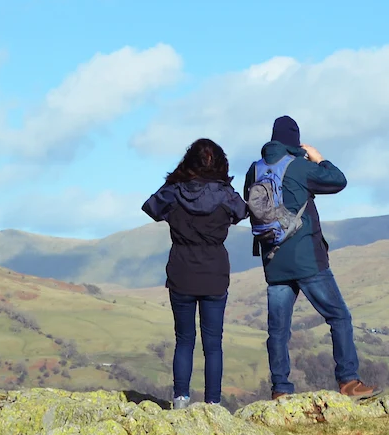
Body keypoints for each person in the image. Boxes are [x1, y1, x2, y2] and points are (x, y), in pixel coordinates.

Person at [248, 114, 376, 399]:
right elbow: (338, 181)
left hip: (273, 259)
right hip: (307, 259)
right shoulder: (300, 167)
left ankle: (281, 388)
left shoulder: (254, 171)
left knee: (278, 330)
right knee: (339, 316)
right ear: (295, 141)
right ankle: (348, 382)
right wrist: (319, 158)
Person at [142, 137, 249, 408]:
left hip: (181, 271)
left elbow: (151, 207)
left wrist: (174, 181)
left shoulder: (174, 192)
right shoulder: (226, 195)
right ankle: (213, 404)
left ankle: (180, 400)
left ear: (188, 162)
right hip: (214, 272)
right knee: (213, 343)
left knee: (184, 340)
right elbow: (242, 212)